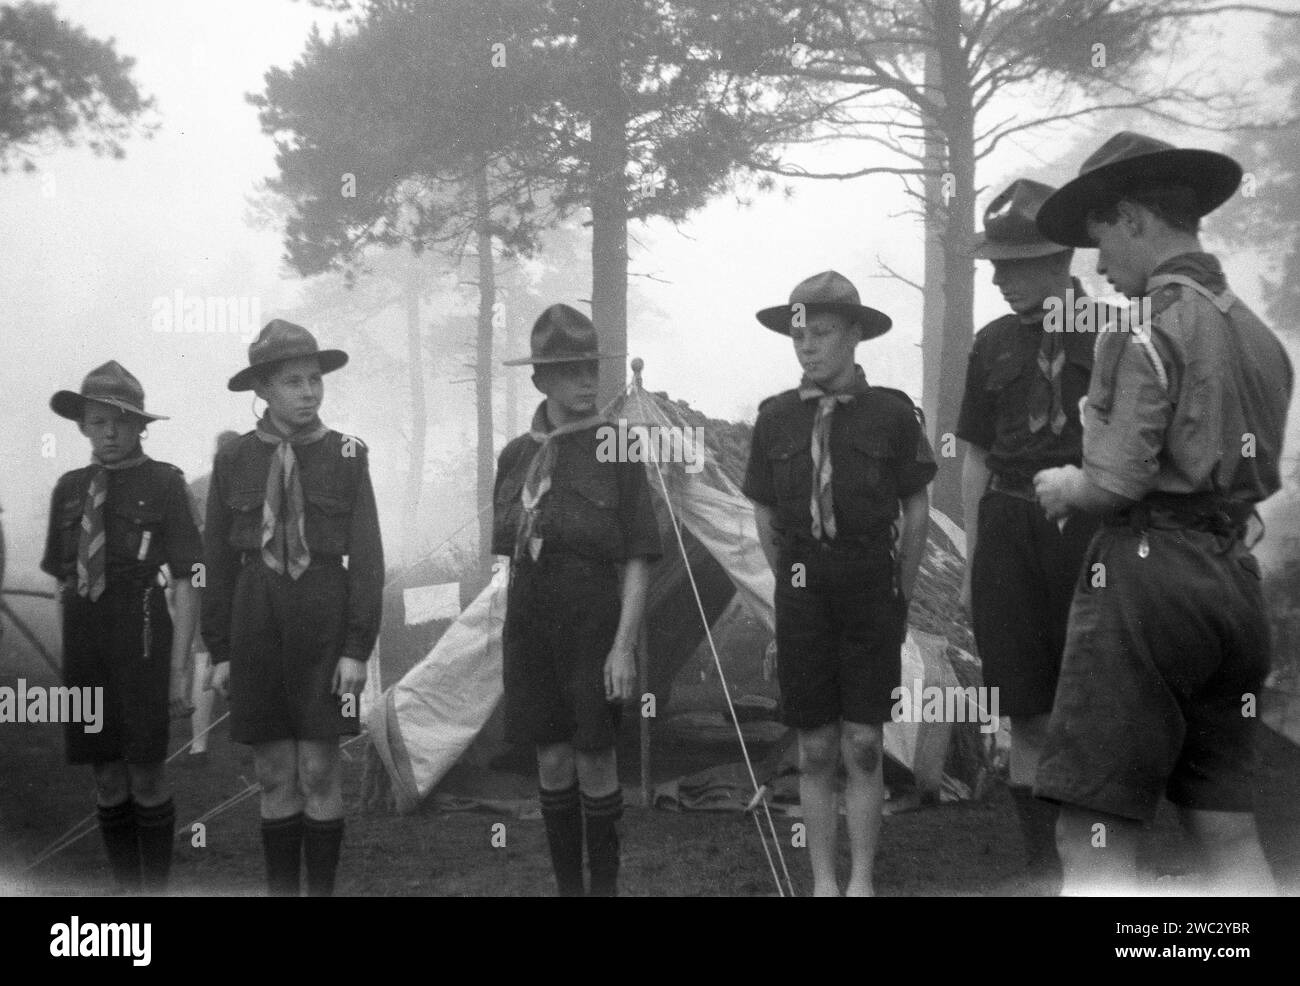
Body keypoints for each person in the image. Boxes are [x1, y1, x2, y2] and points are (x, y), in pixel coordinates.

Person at [1031, 132, 1293, 895]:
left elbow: (1114, 484)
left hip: (1151, 585)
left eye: (1102, 237)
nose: (1099, 265)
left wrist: (1065, 485)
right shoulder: (1261, 338)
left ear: (1137, 218)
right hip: (1233, 587)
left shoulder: (1142, 328)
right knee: (1226, 825)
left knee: (1091, 829)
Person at [743, 271, 936, 897]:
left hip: (869, 587)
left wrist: (900, 592)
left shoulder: (892, 414)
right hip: (804, 591)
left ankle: (861, 881)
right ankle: (824, 883)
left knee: (862, 743)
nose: (807, 346)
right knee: (817, 745)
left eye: (822, 333)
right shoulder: (774, 418)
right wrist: (791, 584)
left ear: (855, 334)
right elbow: (765, 511)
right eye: (799, 334)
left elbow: (916, 508)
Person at [203, 319, 384, 897]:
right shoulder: (234, 459)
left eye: (315, 380)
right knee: (275, 775)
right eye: (292, 382)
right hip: (255, 624)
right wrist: (221, 652)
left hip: (324, 625)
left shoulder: (348, 455)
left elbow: (369, 561)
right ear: (263, 389)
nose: (309, 392)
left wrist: (357, 649)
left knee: (319, 770)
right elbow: (216, 564)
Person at [956, 179, 1100, 887]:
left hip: (1086, 530)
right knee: (1024, 709)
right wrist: (973, 555)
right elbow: (976, 454)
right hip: (1009, 527)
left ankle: (1095, 866)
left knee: (1092, 703)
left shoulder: (1113, 334)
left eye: (1012, 263)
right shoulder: (991, 343)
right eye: (994, 263)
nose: (998, 276)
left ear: (1059, 257)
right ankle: (1044, 870)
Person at [494, 304, 661, 896]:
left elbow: (639, 556)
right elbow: (509, 558)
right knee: (553, 761)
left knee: (595, 757)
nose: (587, 380)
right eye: (570, 370)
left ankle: (604, 891)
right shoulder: (514, 457)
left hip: (595, 624)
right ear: (540, 379)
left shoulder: (619, 447)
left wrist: (623, 647)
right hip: (531, 628)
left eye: (591, 366)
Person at [41, 361, 203, 894]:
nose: (109, 433)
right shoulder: (68, 489)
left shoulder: (165, 483)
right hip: (87, 642)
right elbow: (61, 582)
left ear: (139, 427)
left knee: (146, 773)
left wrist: (180, 673)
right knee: (106, 775)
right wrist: (69, 665)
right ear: (83, 426)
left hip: (143, 631)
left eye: (120, 422)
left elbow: (188, 578)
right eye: (97, 421)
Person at [182, 430, 240, 763]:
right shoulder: (201, 488)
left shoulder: (201, 486)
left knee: (206, 653)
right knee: (206, 653)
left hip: (219, 575)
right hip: (211, 574)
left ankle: (201, 741)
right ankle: (199, 741)